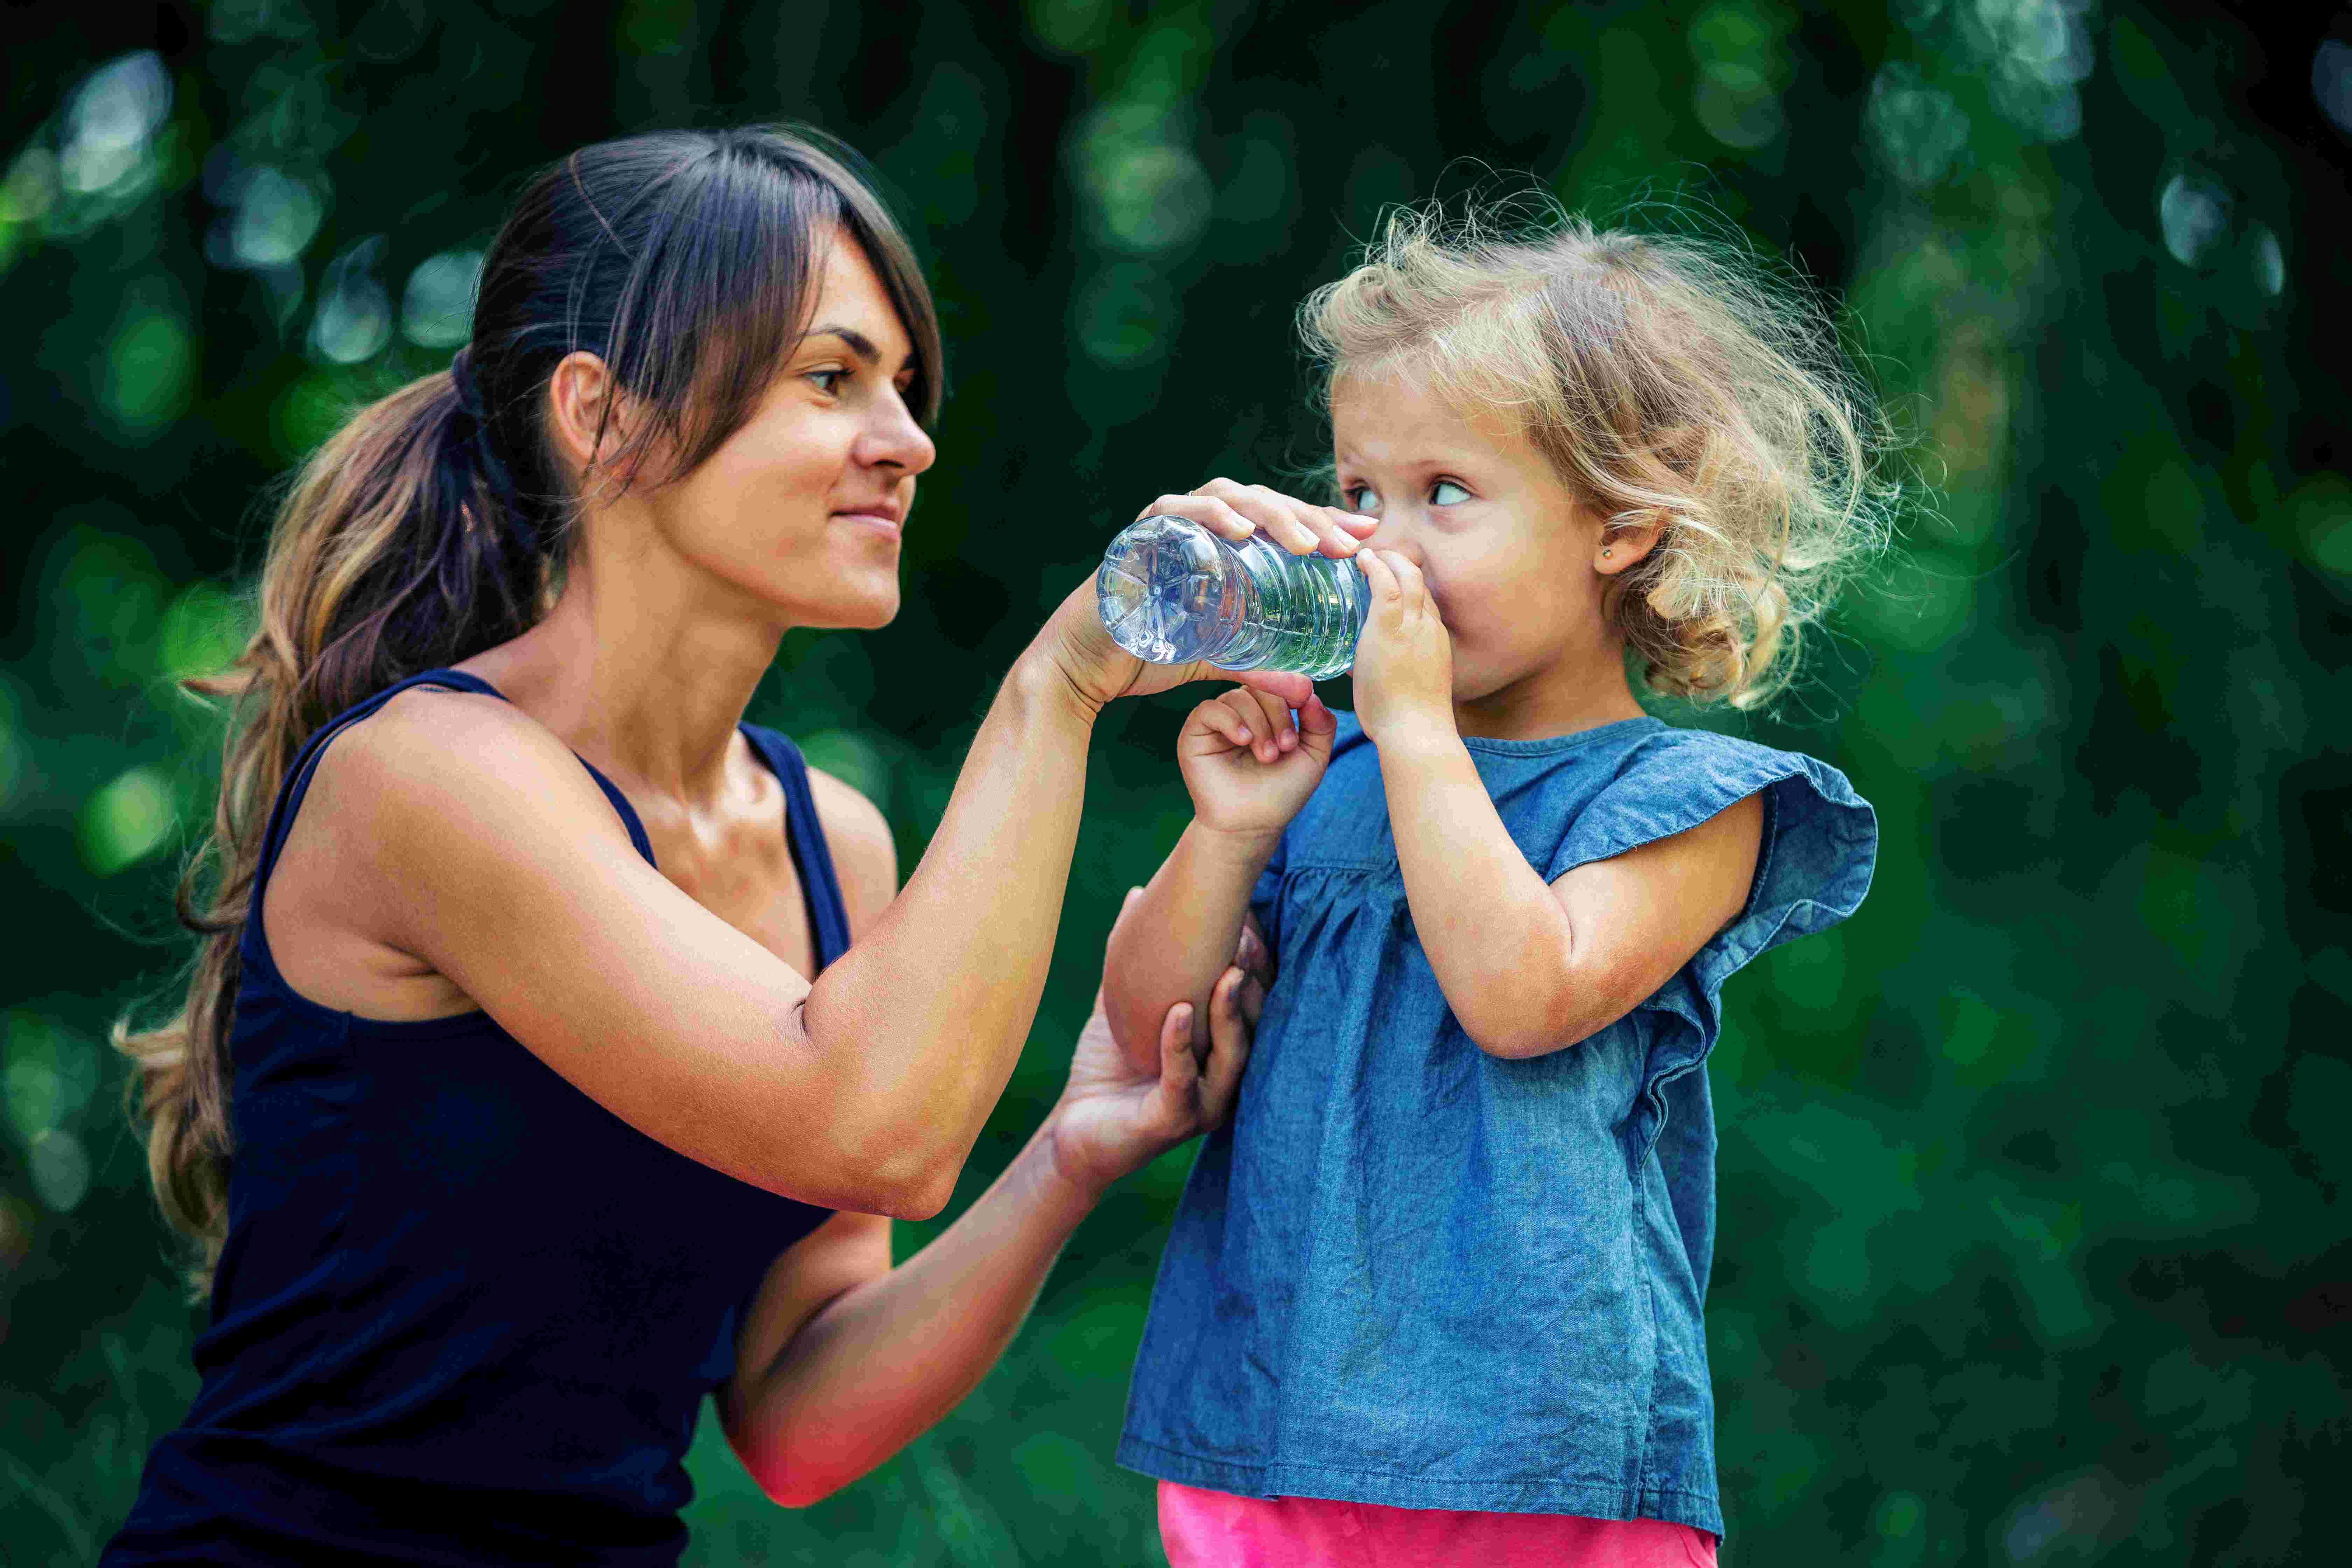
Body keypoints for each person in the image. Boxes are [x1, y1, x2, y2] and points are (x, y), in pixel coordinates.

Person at [100, 125, 1376, 1565]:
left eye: (904, 386)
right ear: (603, 418)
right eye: (832, 379)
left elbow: (795, 1411)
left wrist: (1069, 1157)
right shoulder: (428, 782)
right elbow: (876, 1122)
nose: (909, 440)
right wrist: (1058, 683)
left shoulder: (831, 841)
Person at [1103, 201, 1890, 1564]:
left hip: (1534, 1459)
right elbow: (1140, 1033)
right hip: (1279, 1426)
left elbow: (1526, 993)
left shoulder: (1678, 804)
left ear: (1623, 526)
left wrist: (1412, 733)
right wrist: (1229, 834)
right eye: (1359, 495)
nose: (1379, 549)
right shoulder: (1330, 775)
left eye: (1443, 494)